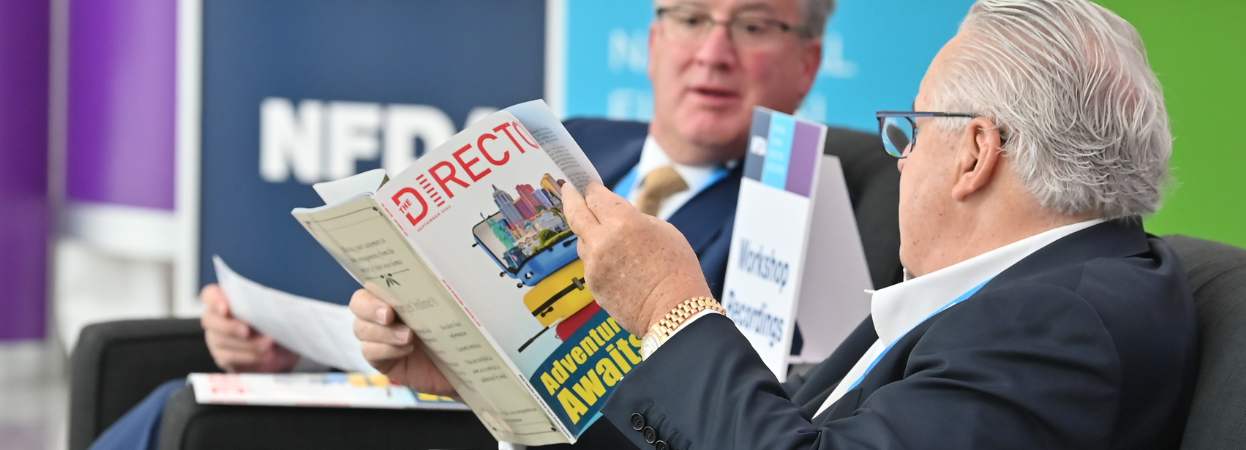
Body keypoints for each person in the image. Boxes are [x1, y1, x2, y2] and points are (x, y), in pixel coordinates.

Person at [353, 0, 1199, 448]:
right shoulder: (1004, 298)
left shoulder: (1053, 321)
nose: (898, 161)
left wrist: (673, 307)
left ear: (976, 152)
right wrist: (492, 382)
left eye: (911, 132)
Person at [90, 0, 902, 449]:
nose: (714, 52)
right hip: (412, 394)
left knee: (179, 417)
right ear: (654, 43)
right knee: (180, 393)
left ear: (807, 65)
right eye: (691, 18)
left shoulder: (807, 208)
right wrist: (308, 342)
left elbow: (742, 406)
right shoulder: (571, 140)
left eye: (755, 25)